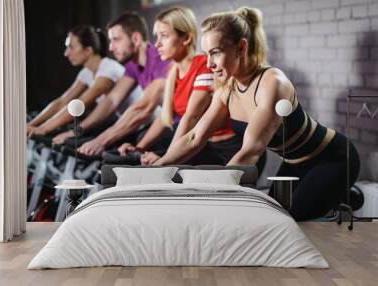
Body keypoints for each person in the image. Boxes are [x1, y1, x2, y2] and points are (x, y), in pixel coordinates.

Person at [154, 6, 360, 221]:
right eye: (206, 54)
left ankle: (338, 196)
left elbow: (250, 152)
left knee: (287, 221)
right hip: (293, 163)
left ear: (241, 47)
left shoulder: (272, 83)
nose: (209, 64)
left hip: (332, 158)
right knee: (273, 216)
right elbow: (195, 137)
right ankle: (340, 197)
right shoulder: (227, 87)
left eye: (216, 52)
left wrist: (212, 192)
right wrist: (156, 171)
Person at [117, 6, 240, 166]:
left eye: (165, 36)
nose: (157, 44)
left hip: (223, 150)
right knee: (146, 150)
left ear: (186, 38)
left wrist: (166, 158)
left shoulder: (203, 65)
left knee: (161, 159)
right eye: (157, 37)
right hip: (198, 144)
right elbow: (164, 118)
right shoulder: (173, 71)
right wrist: (139, 148)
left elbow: (191, 117)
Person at [76, 12, 171, 156]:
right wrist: (78, 130)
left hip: (179, 128)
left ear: (136, 39)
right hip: (160, 124)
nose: (111, 47)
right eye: (110, 41)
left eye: (116, 40)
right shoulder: (133, 65)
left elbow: (143, 109)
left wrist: (100, 142)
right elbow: (112, 100)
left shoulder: (162, 60)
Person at [28, 25, 141, 137]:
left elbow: (80, 104)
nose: (66, 53)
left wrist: (43, 129)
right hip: (129, 124)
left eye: (71, 47)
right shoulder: (86, 72)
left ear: (88, 50)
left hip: (143, 126)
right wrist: (30, 125)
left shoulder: (108, 70)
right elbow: (62, 101)